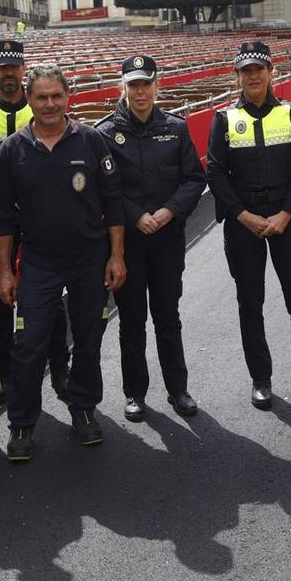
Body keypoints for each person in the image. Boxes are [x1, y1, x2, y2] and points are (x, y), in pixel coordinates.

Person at [0, 64, 127, 462]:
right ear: (29, 100)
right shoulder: (12, 149)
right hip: (38, 263)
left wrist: (117, 255)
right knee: (29, 344)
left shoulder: (92, 141)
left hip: (89, 260)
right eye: (41, 97)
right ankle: (21, 423)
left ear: (68, 97)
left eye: (56, 96)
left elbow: (113, 202)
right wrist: (5, 271)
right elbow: (2, 217)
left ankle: (83, 408)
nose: (49, 104)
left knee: (88, 339)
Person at [206, 40, 291, 419]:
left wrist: (286, 213)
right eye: (246, 71)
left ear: (271, 72)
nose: (253, 76)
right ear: (236, 76)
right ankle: (261, 380)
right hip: (244, 222)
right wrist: (242, 215)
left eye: (259, 69)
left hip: (287, 219)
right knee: (250, 303)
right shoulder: (224, 118)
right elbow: (215, 172)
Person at [96, 55, 206, 422]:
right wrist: (136, 215)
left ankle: (178, 389)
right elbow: (105, 188)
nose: (140, 91)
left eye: (146, 84)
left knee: (167, 316)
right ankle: (135, 393)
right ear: (123, 87)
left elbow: (194, 179)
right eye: (133, 85)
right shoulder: (104, 133)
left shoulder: (175, 128)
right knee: (131, 319)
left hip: (166, 238)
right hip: (126, 242)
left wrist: (168, 211)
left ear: (156, 87)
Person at [0, 39, 69, 406]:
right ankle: (5, 374)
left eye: (14, 67)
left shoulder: (42, 107)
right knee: (0, 298)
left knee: (51, 297)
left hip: (41, 220)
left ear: (23, 69)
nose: (8, 74)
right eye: (1, 68)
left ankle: (60, 367)